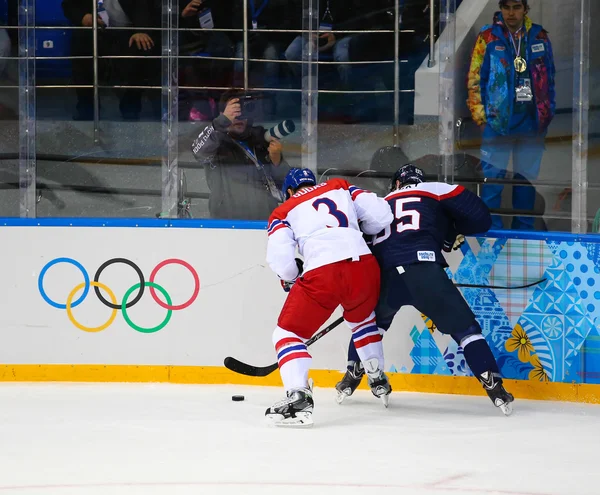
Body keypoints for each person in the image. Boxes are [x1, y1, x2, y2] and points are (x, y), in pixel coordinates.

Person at [335, 164, 515, 416]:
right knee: (466, 331)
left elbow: (362, 240)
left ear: (397, 183)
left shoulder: (380, 202)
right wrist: (449, 230)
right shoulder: (435, 189)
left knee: (370, 328)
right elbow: (481, 218)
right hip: (423, 270)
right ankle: (493, 385)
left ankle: (351, 375)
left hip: (384, 274)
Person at [264, 168, 394, 426]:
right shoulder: (340, 186)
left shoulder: (284, 210)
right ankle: (377, 376)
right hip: (365, 266)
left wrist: (292, 276)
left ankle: (298, 397)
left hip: (324, 271)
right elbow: (382, 216)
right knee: (363, 320)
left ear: (289, 191)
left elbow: (281, 261)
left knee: (287, 335)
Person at [467, 0, 555, 230]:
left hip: (531, 125)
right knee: (493, 183)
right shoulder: (488, 37)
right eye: (506, 7)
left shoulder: (539, 37)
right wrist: (481, 118)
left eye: (516, 7)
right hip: (497, 124)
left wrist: (546, 114)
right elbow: (475, 79)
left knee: (525, 184)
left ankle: (523, 232)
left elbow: (550, 78)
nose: (511, 12)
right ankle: (491, 232)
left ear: (526, 9)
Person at [191, 90, 289, 220]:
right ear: (223, 114)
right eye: (234, 112)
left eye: (243, 110)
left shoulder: (262, 139)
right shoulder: (215, 142)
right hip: (228, 225)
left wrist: (277, 162)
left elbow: (287, 186)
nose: (239, 117)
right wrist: (222, 122)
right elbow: (198, 152)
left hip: (265, 223)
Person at [61, 0, 161, 120]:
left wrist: (140, 30)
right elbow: (69, 4)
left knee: (140, 45)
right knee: (80, 43)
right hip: (94, 29)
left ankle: (131, 107)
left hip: (128, 30)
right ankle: (86, 108)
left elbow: (145, 6)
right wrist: (83, 17)